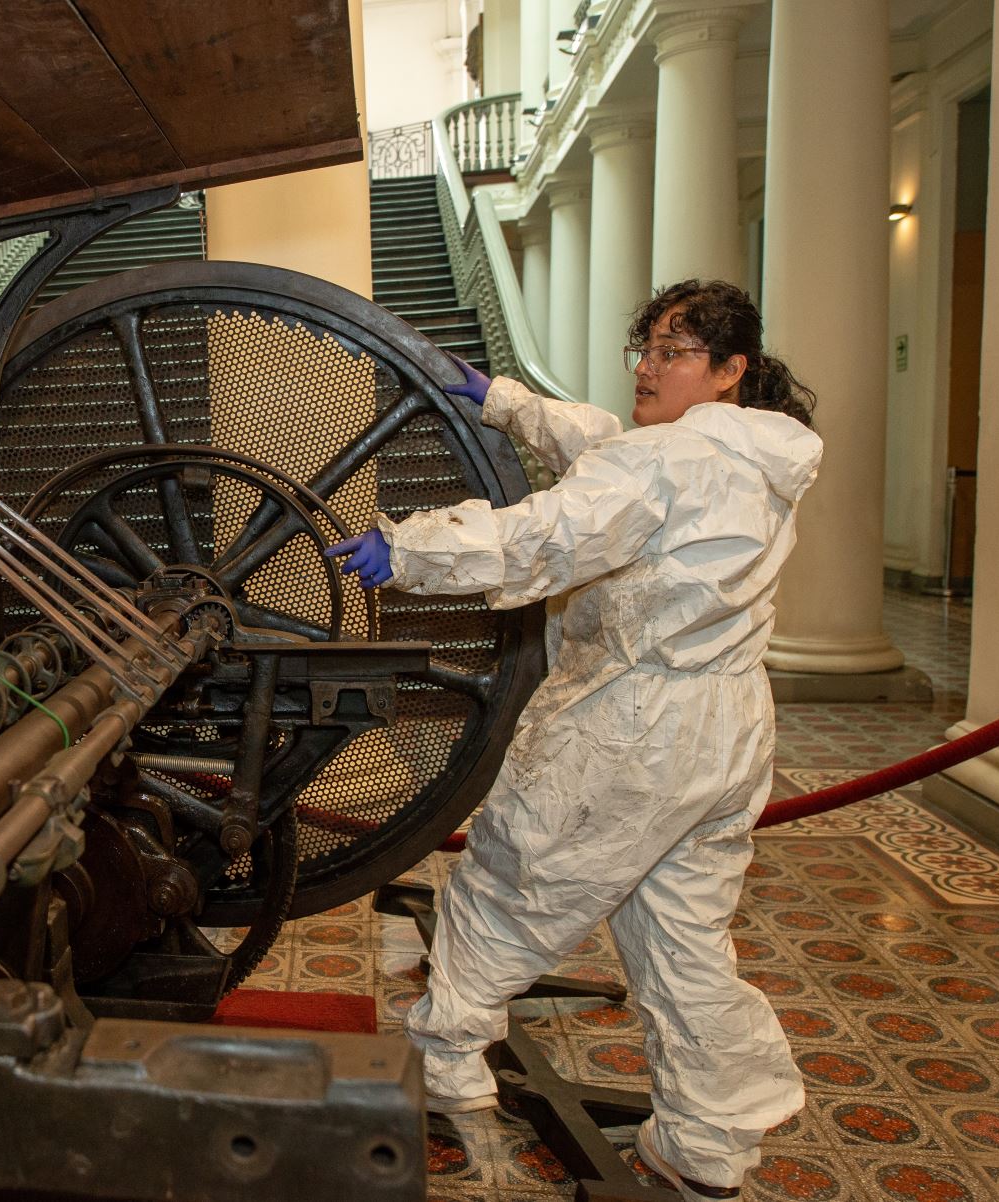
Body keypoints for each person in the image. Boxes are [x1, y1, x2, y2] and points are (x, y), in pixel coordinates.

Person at [328, 279, 821, 1202]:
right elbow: (602, 445)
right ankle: (708, 1142)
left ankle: (444, 1064)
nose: (647, 364)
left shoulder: (667, 465)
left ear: (728, 371)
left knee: (512, 880)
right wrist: (499, 398)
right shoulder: (754, 456)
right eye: (647, 345)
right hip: (726, 729)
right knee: (683, 938)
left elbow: (552, 528)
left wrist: (411, 551)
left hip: (635, 724)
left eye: (674, 351)